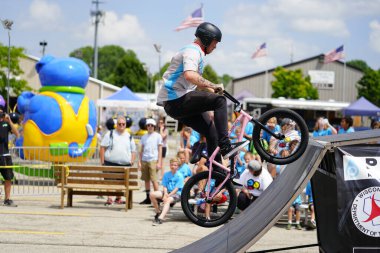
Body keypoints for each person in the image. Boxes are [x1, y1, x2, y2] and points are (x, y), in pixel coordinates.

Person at [156, 22, 249, 167]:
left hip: (177, 103)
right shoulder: (192, 51)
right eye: (214, 43)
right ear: (206, 39)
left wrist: (213, 90)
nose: (215, 47)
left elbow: (197, 83)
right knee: (220, 101)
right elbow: (190, 76)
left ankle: (216, 171)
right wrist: (213, 86)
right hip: (175, 99)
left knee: (212, 132)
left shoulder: (196, 53)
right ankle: (225, 144)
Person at [100, 116, 137, 205]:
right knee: (109, 182)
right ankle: (109, 198)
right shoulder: (110, 133)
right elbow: (102, 147)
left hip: (124, 164)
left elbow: (133, 150)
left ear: (125, 125)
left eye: (123, 124)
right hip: (110, 162)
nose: (121, 125)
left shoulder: (129, 136)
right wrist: (102, 161)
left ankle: (118, 198)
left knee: (121, 182)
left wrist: (132, 161)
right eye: (119, 124)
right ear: (116, 125)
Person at [150, 158, 184, 226]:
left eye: (175, 165)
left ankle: (160, 218)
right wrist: (165, 193)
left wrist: (168, 195)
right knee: (152, 194)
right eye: (172, 165)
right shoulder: (166, 174)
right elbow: (165, 186)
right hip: (167, 192)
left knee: (167, 200)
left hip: (176, 193)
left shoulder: (180, 176)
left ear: (178, 166)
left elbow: (176, 189)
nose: (173, 166)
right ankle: (158, 211)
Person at [138, 118, 163, 205]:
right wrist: (139, 162)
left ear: (154, 126)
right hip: (145, 159)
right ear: (146, 126)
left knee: (154, 180)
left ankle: (158, 198)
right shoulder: (144, 137)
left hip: (153, 159)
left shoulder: (158, 136)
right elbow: (141, 150)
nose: (150, 127)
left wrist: (159, 162)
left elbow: (160, 149)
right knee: (146, 179)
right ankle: (148, 198)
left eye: (152, 125)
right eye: (148, 125)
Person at [0, 106, 19, 207]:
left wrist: (9, 120)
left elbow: (17, 134)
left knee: (8, 178)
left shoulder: (6, 124)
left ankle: (7, 199)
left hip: (5, 155)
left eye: (2, 113)